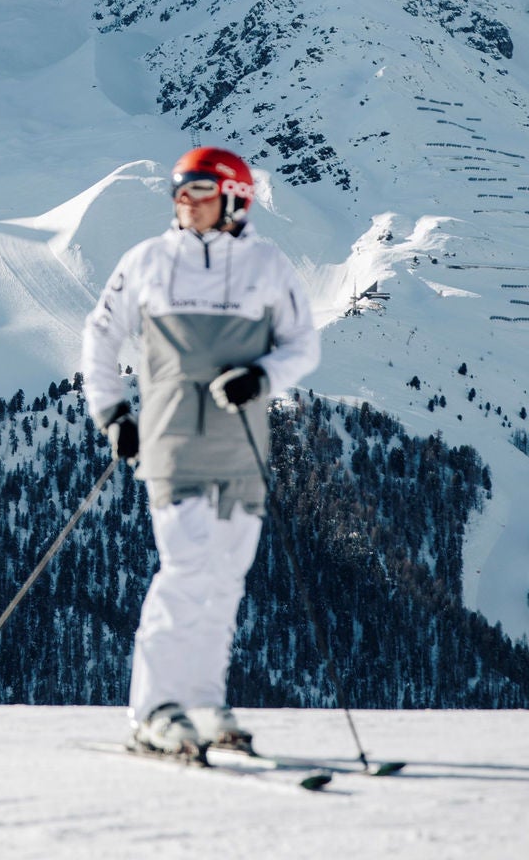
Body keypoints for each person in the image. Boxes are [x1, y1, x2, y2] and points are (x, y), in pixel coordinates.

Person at [80, 144, 320, 758]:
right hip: (172, 441)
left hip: (241, 445)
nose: (185, 202)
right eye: (180, 191)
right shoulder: (150, 262)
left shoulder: (267, 266)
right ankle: (154, 712)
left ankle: (205, 706)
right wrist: (113, 416)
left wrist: (261, 377)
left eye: (200, 191)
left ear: (235, 197)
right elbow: (99, 337)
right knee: (185, 573)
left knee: (226, 581)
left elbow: (303, 346)